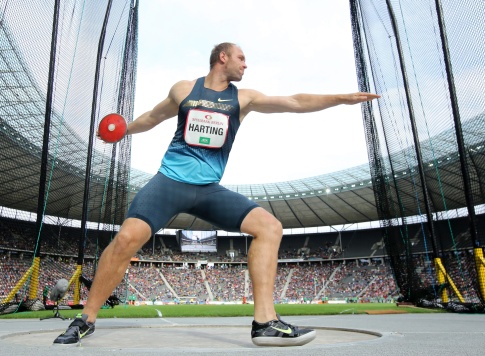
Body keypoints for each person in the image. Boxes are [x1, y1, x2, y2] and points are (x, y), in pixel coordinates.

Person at [53, 42, 380, 347]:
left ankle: (265, 322)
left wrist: (341, 98)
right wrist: (124, 130)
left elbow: (294, 102)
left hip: (208, 190)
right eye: (241, 58)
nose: (245, 65)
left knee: (270, 227)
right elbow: (153, 117)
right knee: (126, 239)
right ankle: (86, 319)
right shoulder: (184, 90)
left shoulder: (244, 98)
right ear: (222, 57)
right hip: (169, 182)